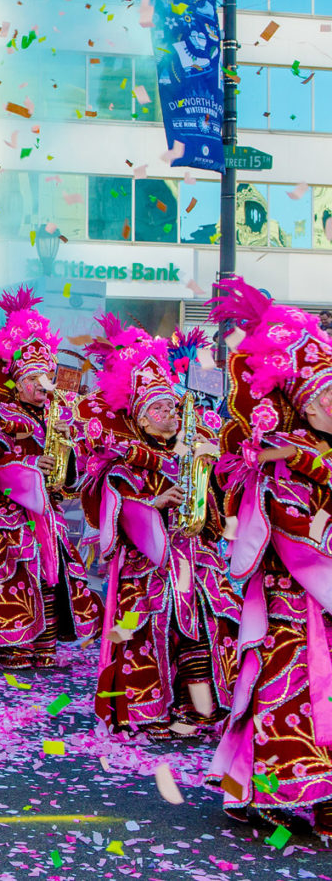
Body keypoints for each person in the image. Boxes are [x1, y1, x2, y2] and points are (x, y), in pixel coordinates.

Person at [206, 279, 332, 839]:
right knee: (290, 696)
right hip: (295, 609)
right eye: (328, 397)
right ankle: (280, 793)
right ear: (304, 403)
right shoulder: (280, 467)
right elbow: (293, 535)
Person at [77, 315, 238, 737]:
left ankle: (199, 707)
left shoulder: (193, 448)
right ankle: (151, 710)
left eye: (171, 406)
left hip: (197, 557)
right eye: (159, 409)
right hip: (148, 564)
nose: (169, 414)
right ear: (142, 420)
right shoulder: (123, 461)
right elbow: (113, 510)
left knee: (210, 621)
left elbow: (220, 497)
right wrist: (154, 502)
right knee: (153, 629)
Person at [0, 288, 102, 669]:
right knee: (12, 574)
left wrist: (68, 459)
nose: (43, 385)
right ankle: (11, 644)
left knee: (52, 578)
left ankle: (45, 643)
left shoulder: (58, 415)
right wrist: (26, 468)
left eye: (48, 377)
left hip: (47, 513)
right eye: (35, 377)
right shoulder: (0, 413)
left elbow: (71, 470)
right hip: (9, 514)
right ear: (19, 380)